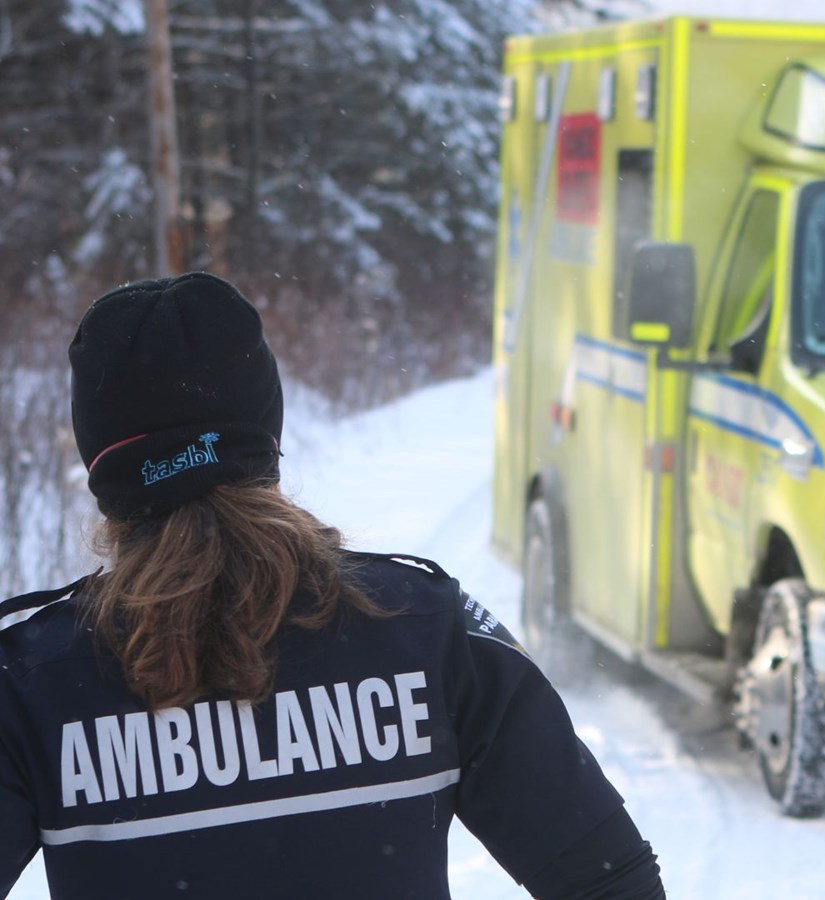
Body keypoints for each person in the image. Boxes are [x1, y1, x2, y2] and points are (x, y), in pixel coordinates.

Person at [0, 273, 664, 899]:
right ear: (267, 432)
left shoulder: (31, 677)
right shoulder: (425, 624)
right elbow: (609, 880)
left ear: (100, 460)